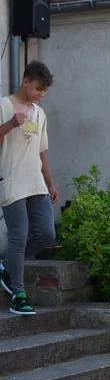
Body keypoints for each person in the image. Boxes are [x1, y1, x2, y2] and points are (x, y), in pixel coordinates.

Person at [0, 61, 58, 315]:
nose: (40, 94)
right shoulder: (3, 106)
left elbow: (41, 151)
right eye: (38, 89)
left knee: (47, 234)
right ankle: (18, 294)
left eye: (44, 91)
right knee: (18, 235)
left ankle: (6, 266)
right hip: (11, 179)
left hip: (36, 181)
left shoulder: (40, 114)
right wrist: (11, 124)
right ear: (25, 81)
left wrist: (51, 182)